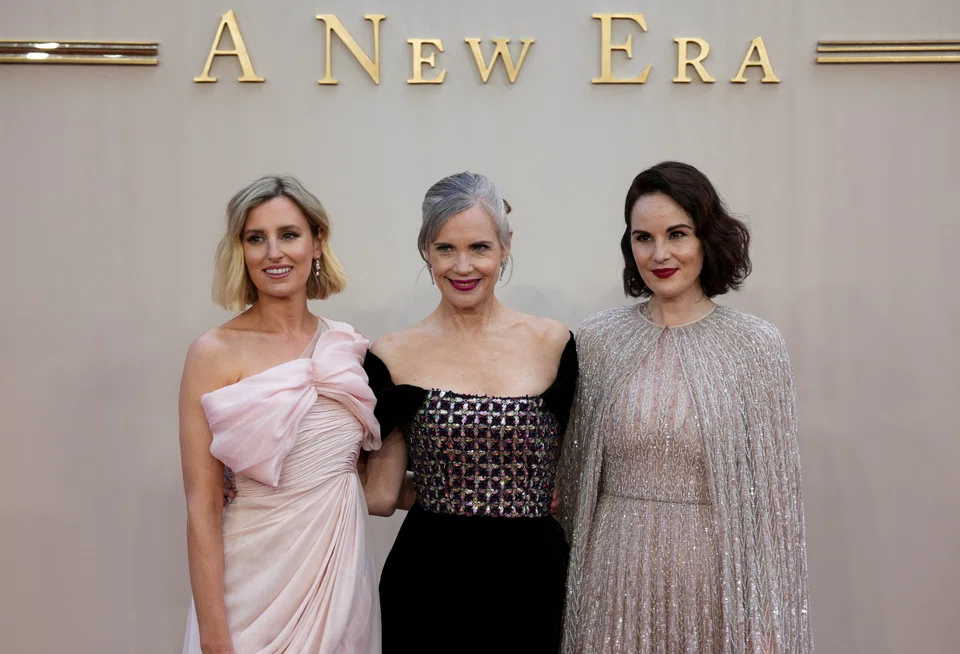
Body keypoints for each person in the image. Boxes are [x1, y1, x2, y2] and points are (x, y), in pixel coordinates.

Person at [558, 161, 812, 654]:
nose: (660, 254)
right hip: (611, 576)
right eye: (643, 238)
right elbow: (571, 477)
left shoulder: (755, 347)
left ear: (706, 238)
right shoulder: (596, 340)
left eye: (677, 234)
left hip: (713, 582)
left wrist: (770, 618)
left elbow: (775, 507)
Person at [360, 171, 577, 654]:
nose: (463, 266)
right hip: (429, 584)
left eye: (479, 247)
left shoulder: (554, 343)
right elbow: (380, 494)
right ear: (425, 249)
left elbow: (579, 467)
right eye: (445, 249)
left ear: (506, 245)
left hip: (535, 582)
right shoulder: (392, 355)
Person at [178, 175, 381, 654]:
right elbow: (202, 505)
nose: (274, 252)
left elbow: (360, 470)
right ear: (240, 251)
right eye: (256, 238)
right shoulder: (212, 353)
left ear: (316, 243)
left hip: (337, 577)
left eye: (288, 234)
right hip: (251, 584)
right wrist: (214, 638)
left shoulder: (347, 346)